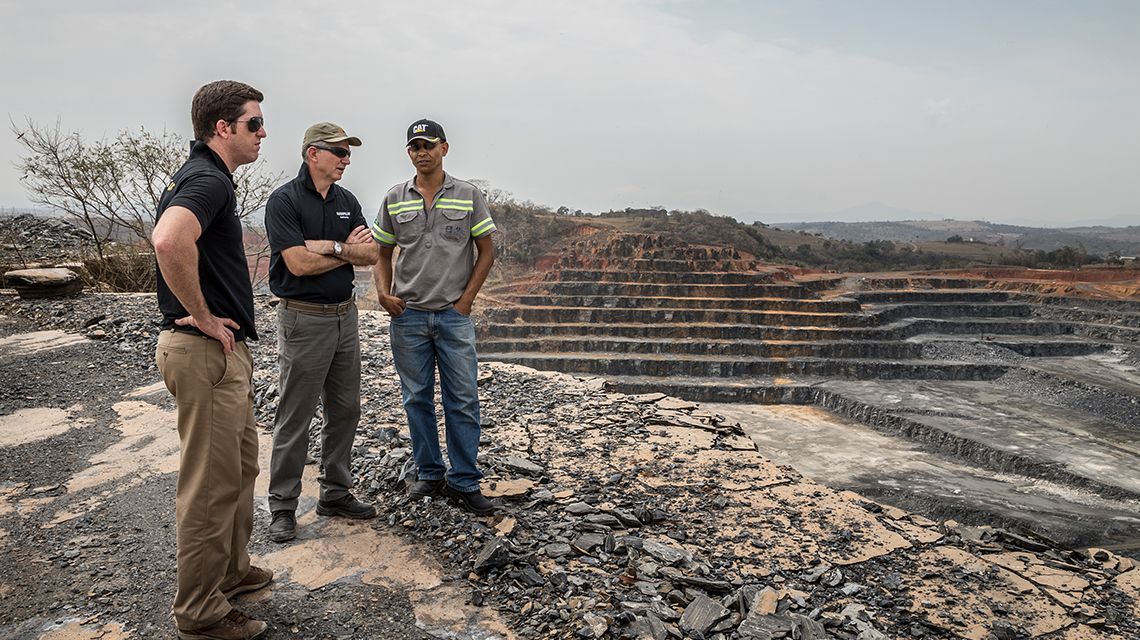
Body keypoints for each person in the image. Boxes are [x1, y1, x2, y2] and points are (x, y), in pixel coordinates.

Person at [152, 80, 272, 640]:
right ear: (223, 128)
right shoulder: (206, 178)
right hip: (205, 351)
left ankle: (231, 570)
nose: (262, 133)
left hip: (220, 353)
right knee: (209, 484)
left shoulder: (209, 177)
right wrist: (200, 314)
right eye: (254, 123)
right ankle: (200, 613)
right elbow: (170, 241)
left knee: (241, 468)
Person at [372, 118, 498, 515]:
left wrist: (465, 302)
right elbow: (381, 253)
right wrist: (383, 293)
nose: (421, 152)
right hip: (408, 318)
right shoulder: (394, 198)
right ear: (408, 152)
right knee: (416, 399)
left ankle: (464, 480)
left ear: (444, 148)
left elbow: (487, 251)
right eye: (414, 147)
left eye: (429, 145)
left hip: (452, 317)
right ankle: (429, 474)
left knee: (462, 399)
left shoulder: (468, 195)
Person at [264, 123, 379, 542]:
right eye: (339, 152)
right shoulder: (284, 201)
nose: (346, 160)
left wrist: (328, 247)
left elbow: (371, 253)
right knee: (296, 414)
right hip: (303, 318)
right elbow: (296, 264)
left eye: (348, 153)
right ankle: (282, 506)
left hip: (344, 317)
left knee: (346, 408)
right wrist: (342, 249)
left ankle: (334, 493)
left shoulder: (347, 200)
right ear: (313, 154)